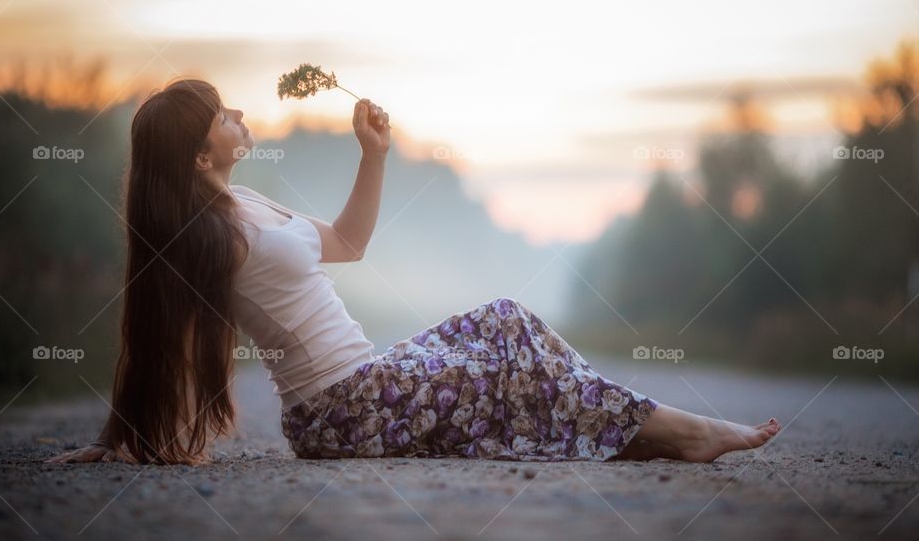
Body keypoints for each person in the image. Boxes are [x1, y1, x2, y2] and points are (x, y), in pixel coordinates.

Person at [46, 78, 780, 466]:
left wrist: (374, 154)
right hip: (340, 409)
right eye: (220, 113)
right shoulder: (207, 239)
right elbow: (154, 338)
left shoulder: (244, 200)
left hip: (370, 380)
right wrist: (121, 433)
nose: (237, 112)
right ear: (200, 156)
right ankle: (681, 430)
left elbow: (347, 242)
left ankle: (652, 433)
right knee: (508, 371)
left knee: (505, 321)